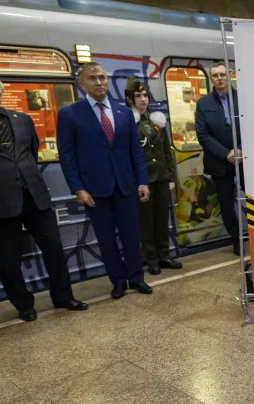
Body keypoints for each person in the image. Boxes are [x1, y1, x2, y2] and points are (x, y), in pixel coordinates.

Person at [57, 62, 153, 300]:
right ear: (82, 84)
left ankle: (136, 278)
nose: (99, 82)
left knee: (132, 236)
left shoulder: (123, 112)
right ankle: (118, 281)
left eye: (102, 77)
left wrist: (142, 181)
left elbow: (135, 151)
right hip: (94, 190)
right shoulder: (70, 114)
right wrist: (78, 188)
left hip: (126, 186)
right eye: (92, 78)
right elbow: (67, 156)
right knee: (106, 238)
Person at [0, 82, 88, 320]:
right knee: (7, 260)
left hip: (35, 196)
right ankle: (24, 304)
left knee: (54, 249)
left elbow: (31, 152)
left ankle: (63, 297)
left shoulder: (22, 119)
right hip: (2, 203)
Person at [125, 78, 182, 275]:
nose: (143, 99)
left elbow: (167, 151)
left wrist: (170, 175)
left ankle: (164, 255)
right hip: (143, 181)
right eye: (138, 96)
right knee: (146, 222)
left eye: (145, 95)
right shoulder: (129, 123)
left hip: (161, 178)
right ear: (130, 99)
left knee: (161, 219)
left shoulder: (157, 121)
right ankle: (151, 258)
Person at [195, 62, 244, 256]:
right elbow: (202, 134)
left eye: (223, 74)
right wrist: (226, 153)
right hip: (219, 162)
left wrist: (241, 150)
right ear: (211, 79)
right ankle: (237, 240)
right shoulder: (203, 103)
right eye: (215, 75)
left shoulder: (243, 97)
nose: (220, 78)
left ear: (229, 75)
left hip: (246, 159)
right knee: (226, 204)